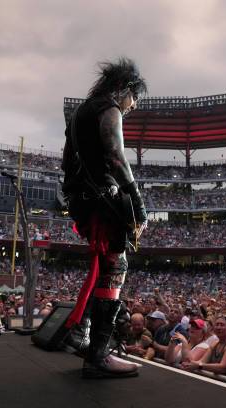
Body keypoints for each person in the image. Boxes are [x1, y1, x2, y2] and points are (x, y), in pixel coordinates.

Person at [61, 57, 148, 379]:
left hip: (83, 201)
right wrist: (137, 203)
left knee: (104, 270)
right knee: (116, 268)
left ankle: (82, 336)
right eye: (134, 97)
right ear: (124, 89)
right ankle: (98, 356)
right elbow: (116, 156)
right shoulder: (108, 109)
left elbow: (67, 163)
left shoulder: (78, 114)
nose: (134, 105)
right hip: (104, 202)